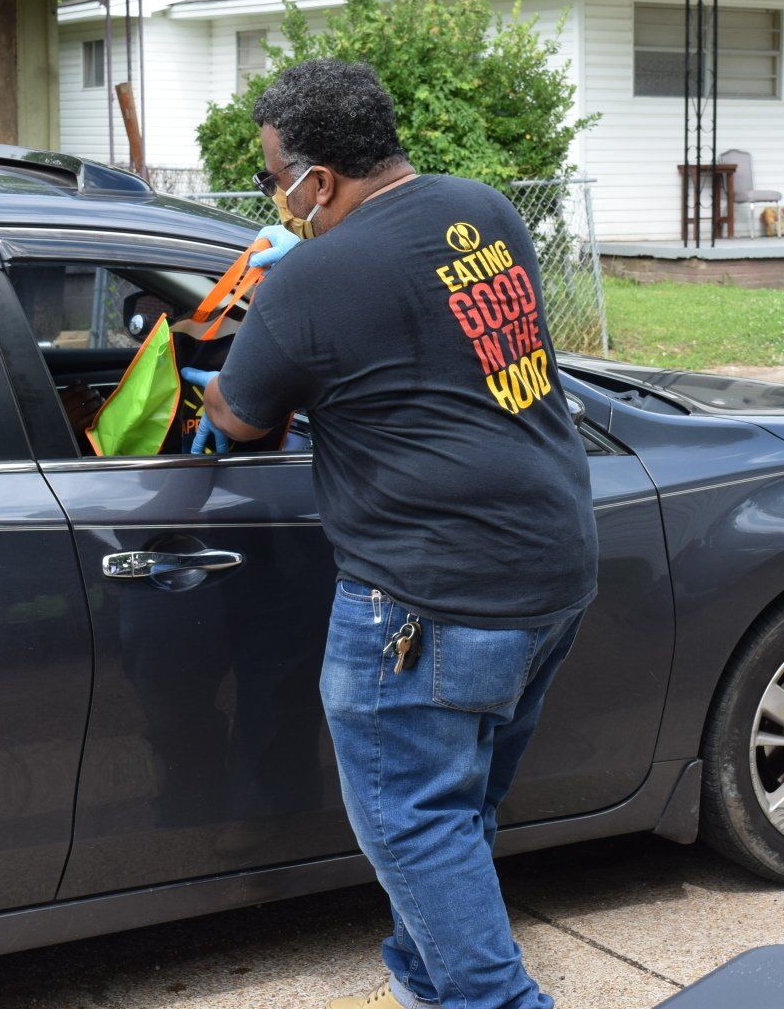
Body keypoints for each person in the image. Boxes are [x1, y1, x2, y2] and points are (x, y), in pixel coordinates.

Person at [195, 58, 598, 1009]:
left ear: (318, 181)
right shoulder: (484, 210)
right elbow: (444, 344)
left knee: (414, 825)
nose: (277, 199)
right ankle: (426, 982)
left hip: (428, 598)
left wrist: (221, 370)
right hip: (553, 565)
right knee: (460, 813)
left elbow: (240, 417)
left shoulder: (309, 280)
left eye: (275, 180)